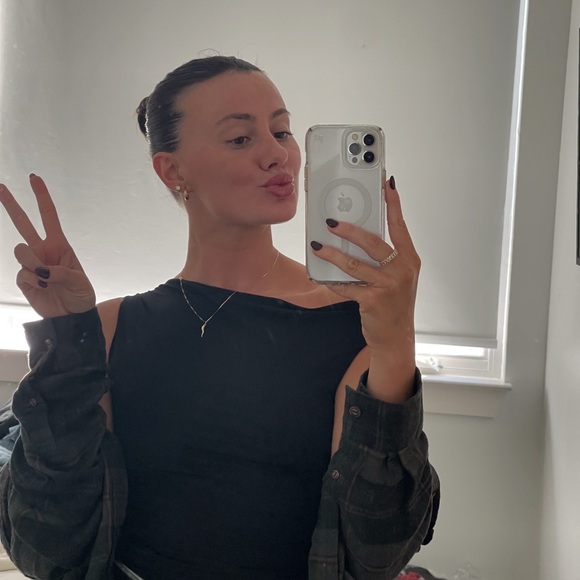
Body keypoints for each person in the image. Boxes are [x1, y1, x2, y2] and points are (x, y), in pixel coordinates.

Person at [0, 55, 439, 579]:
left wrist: (396, 345)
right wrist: (68, 336)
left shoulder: (354, 324)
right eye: (240, 138)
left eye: (282, 131)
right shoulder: (111, 328)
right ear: (172, 170)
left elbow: (377, 555)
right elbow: (48, 549)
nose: (277, 154)